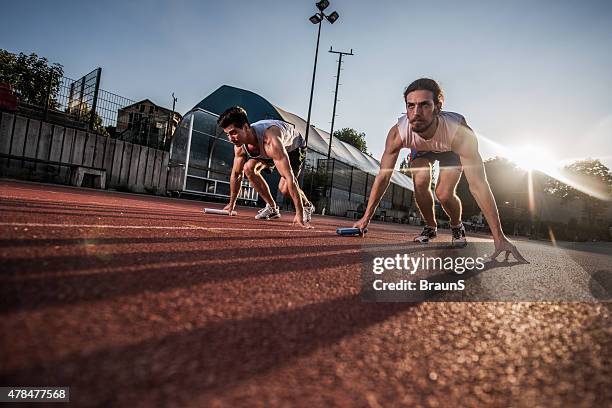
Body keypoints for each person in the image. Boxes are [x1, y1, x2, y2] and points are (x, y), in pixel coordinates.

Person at [354, 78, 525, 261]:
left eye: (424, 105)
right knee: (420, 181)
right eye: (410, 106)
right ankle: (430, 226)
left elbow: (478, 185)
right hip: (421, 150)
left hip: (450, 148)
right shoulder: (399, 133)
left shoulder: (460, 133)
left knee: (443, 193)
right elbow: (383, 177)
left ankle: (457, 225)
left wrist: (499, 237)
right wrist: (366, 218)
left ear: (438, 106)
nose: (416, 112)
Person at [217, 106, 315, 228]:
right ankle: (272, 207)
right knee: (248, 168)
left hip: (293, 147)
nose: (231, 139)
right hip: (264, 148)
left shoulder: (271, 140)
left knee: (284, 189)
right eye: (227, 134)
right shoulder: (239, 145)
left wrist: (299, 214)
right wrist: (232, 204)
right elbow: (236, 174)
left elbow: (290, 177)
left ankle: (306, 206)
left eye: (234, 133)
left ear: (246, 127)